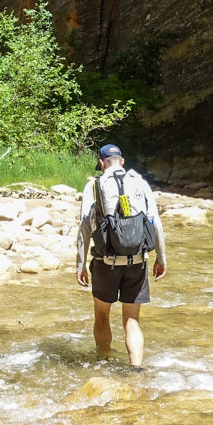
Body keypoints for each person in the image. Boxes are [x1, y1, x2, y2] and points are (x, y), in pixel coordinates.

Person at [75, 143, 167, 367]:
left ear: (101, 162)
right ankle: (136, 369)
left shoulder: (95, 185)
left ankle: (103, 361)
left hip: (105, 262)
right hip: (136, 261)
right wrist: (161, 259)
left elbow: (85, 227)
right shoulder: (140, 183)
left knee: (102, 315)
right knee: (132, 319)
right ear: (122, 162)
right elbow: (155, 223)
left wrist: (80, 264)